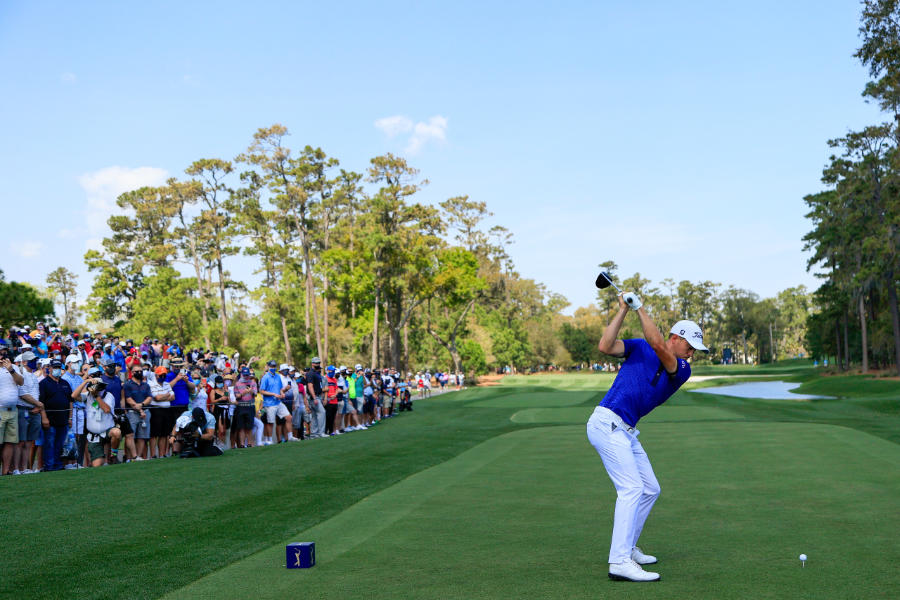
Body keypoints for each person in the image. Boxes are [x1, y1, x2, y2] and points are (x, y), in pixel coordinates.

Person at [586, 292, 708, 582]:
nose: (692, 354)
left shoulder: (681, 369)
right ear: (677, 337)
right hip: (606, 423)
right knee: (631, 489)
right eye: (691, 347)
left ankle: (627, 549)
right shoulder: (639, 347)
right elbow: (605, 345)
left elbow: (657, 345)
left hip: (625, 430)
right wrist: (623, 311)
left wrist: (640, 308)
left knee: (650, 489)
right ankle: (619, 562)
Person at [79, 374, 122, 467]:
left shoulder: (109, 395)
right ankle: (99, 459)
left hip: (107, 431)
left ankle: (113, 455)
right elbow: (74, 395)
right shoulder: (88, 395)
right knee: (97, 465)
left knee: (117, 432)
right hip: (94, 436)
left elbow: (107, 410)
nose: (97, 389)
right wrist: (86, 382)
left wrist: (97, 397)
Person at [37, 359, 72, 472]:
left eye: (59, 367)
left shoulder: (65, 383)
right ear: (50, 368)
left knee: (59, 444)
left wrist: (70, 417)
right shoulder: (43, 383)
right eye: (55, 367)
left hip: (63, 419)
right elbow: (41, 402)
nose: (57, 370)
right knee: (49, 444)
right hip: (50, 420)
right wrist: (44, 417)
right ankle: (49, 466)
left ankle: (58, 464)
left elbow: (70, 401)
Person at [1, 348, 25, 474]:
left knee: (10, 442)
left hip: (13, 410)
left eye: (3, 354)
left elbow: (21, 382)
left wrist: (10, 369)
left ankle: (5, 472)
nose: (2, 356)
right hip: (0, 410)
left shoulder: (13, 367)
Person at [232, 367, 257, 448]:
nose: (246, 377)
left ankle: (249, 443)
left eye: (247, 375)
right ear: (242, 374)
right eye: (245, 375)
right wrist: (244, 392)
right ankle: (242, 444)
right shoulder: (237, 384)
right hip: (241, 407)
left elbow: (255, 394)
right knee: (241, 426)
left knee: (249, 426)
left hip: (250, 406)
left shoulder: (253, 383)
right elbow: (237, 397)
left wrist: (251, 391)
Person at [306, 358, 326, 439]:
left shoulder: (316, 373)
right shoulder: (310, 373)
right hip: (313, 397)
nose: (318, 364)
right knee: (322, 412)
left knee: (314, 416)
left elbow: (319, 386)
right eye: (316, 363)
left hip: (317, 396)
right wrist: (314, 398)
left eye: (319, 363)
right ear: (312, 364)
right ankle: (321, 433)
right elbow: (310, 386)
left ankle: (314, 434)